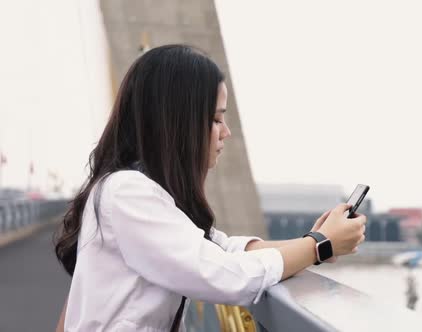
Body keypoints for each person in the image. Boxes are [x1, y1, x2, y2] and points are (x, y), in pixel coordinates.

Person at [53, 44, 367, 332]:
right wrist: (319, 245)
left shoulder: (146, 191)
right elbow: (227, 276)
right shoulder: (127, 194)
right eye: (217, 120)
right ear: (180, 122)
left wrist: (315, 244)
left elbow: (224, 249)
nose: (226, 133)